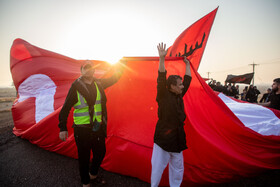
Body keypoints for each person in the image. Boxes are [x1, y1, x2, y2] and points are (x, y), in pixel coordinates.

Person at [58, 60, 125, 187]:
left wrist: (122, 65)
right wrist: (62, 127)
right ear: (81, 70)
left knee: (100, 153)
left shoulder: (99, 83)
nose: (89, 69)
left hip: (97, 128)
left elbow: (114, 78)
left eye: (91, 67)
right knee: (84, 158)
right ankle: (85, 183)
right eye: (86, 67)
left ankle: (92, 175)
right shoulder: (76, 87)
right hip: (82, 129)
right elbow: (65, 108)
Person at [151, 43, 192, 187]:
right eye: (179, 84)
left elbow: (187, 80)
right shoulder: (162, 94)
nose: (182, 86)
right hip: (163, 139)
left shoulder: (179, 94)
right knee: (156, 169)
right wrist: (162, 59)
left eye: (181, 85)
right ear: (172, 86)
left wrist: (187, 64)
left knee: (178, 169)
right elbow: (161, 77)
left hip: (178, 139)